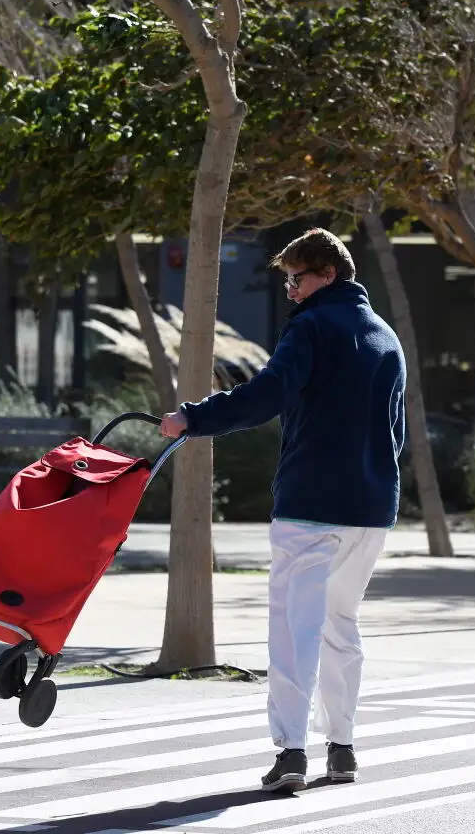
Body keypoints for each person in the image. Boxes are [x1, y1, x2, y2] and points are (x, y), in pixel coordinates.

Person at [160, 228, 406, 792]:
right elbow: (396, 432)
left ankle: (291, 753)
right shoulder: (387, 337)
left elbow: (269, 394)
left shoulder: (312, 327)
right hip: (370, 508)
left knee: (294, 632)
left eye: (296, 278)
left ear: (326, 274)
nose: (290, 290)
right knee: (341, 626)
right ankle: (341, 749)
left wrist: (193, 418)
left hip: (310, 505)